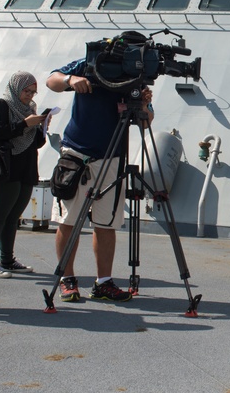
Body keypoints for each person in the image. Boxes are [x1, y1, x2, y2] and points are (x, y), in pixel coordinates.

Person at [44, 59, 153, 303]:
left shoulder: (136, 79)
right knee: (68, 219)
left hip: (112, 157)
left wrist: (143, 104)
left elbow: (146, 123)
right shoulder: (90, 63)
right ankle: (67, 279)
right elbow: (52, 79)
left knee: (106, 223)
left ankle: (104, 282)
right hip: (77, 154)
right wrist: (71, 80)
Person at [0, 71, 47, 278]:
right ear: (16, 88)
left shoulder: (30, 110)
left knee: (13, 215)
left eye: (33, 92)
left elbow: (36, 143)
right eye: (26, 91)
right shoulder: (2, 105)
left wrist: (41, 128)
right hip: (4, 167)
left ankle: (7, 259)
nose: (29, 96)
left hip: (25, 167)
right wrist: (26, 124)